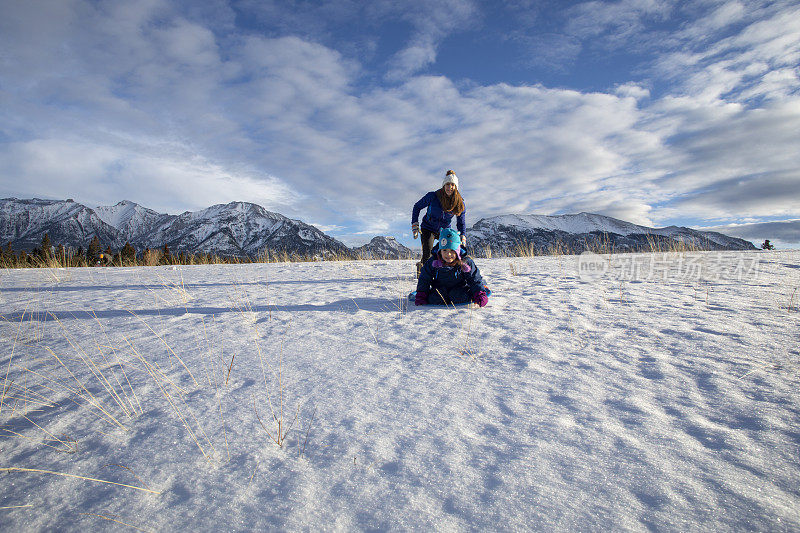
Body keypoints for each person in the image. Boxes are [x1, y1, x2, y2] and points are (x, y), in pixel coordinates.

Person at [412, 170, 467, 276]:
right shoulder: (433, 196)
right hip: (428, 227)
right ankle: (423, 274)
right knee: (428, 254)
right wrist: (415, 224)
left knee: (446, 253)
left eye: (452, 184)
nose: (449, 187)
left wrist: (463, 236)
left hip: (445, 230)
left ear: (455, 187)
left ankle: (444, 274)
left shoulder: (459, 203)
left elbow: (461, 223)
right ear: (443, 185)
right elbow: (417, 206)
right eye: (447, 184)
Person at [415, 228, 489, 307]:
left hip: (460, 289)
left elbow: (474, 279)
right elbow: (424, 279)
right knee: (435, 299)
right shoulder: (433, 262)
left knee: (459, 297)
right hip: (440, 289)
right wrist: (421, 295)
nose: (448, 254)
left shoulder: (466, 262)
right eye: (444, 250)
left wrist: (479, 293)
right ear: (440, 251)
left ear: (457, 251)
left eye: (452, 250)